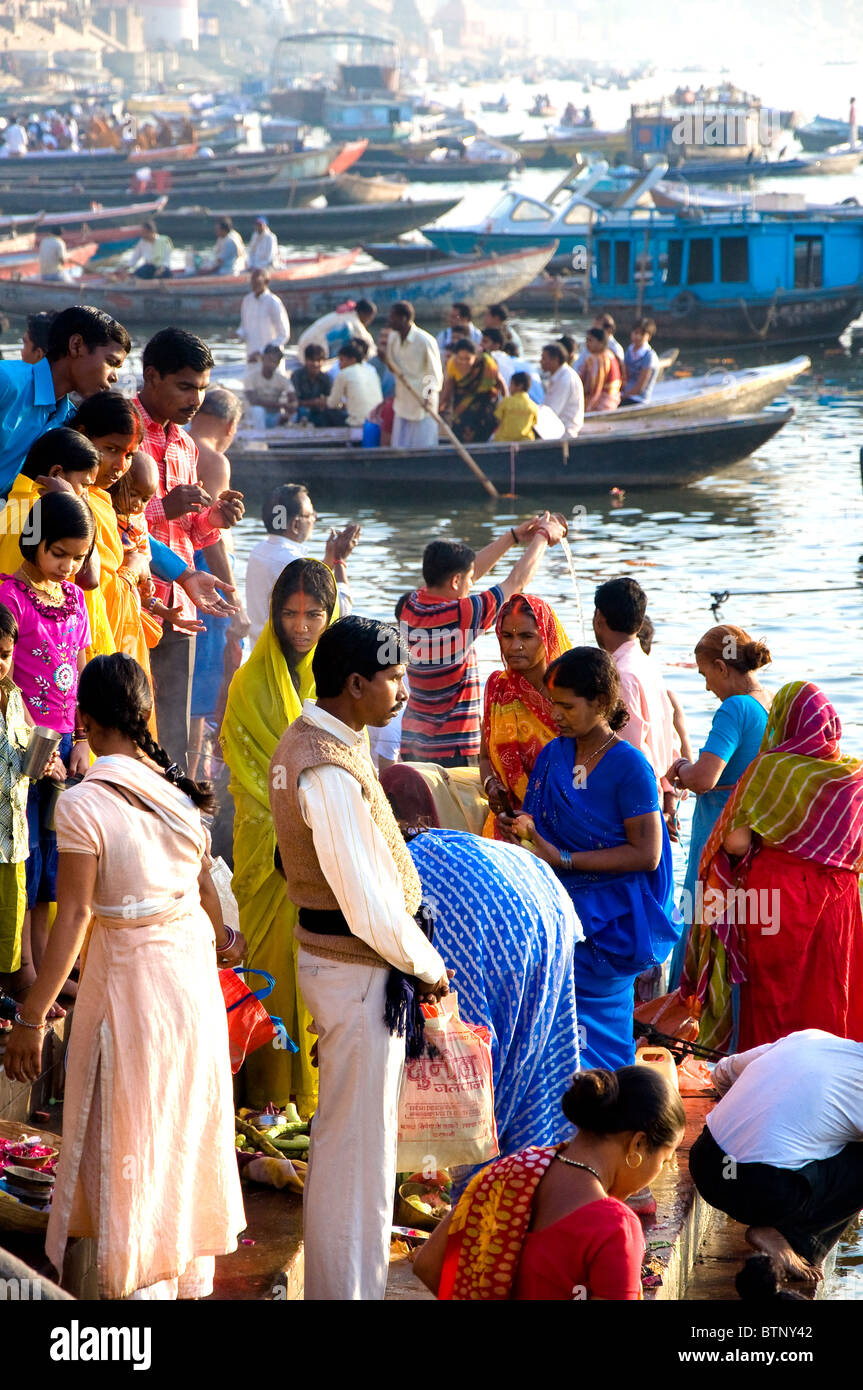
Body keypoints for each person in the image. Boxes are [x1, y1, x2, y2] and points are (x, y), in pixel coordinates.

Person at [3, 653, 247, 1299]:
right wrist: (223, 939)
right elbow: (208, 902)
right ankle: (175, 1279)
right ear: (144, 716)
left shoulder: (84, 802)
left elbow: (76, 914)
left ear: (81, 719)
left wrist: (31, 1019)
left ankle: (133, 1286)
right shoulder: (178, 795)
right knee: (176, 1122)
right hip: (189, 984)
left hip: (137, 988)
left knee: (127, 1130)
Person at [268, 615, 450, 1301]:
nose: (404, 689)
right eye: (394, 677)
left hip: (347, 969)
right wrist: (428, 966)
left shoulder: (326, 740)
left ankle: (350, 1289)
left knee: (353, 1147)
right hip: (355, 970)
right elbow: (366, 902)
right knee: (357, 1155)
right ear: (353, 684)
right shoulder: (326, 766)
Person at [509, 648, 682, 1071]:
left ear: (602, 703)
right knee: (552, 1029)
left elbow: (647, 854)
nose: (556, 714)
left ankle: (613, 1111)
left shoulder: (631, 767)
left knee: (601, 1036)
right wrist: (525, 830)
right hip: (556, 910)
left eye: (567, 705)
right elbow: (538, 820)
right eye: (553, 703)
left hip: (610, 922)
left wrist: (563, 858)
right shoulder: (554, 755)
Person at [680, 681, 863, 1054]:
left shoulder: (769, 768)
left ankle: (769, 1082)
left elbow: (735, 842)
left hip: (776, 896)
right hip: (839, 900)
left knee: (774, 998)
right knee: (831, 989)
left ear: (784, 721)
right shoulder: (853, 776)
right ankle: (831, 1078)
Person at [223, 559, 340, 1111]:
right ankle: (266, 1101)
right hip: (267, 851)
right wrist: (291, 832)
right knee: (270, 967)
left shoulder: (342, 678)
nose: (301, 625)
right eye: (289, 613)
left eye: (313, 613)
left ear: (330, 613)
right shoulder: (250, 684)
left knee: (317, 972)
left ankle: (315, 1102)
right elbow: (246, 768)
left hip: (325, 849)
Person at [414, 1066, 685, 1300]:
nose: (658, 1171)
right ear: (638, 1144)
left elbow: (427, 1264)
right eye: (664, 1159)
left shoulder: (509, 1172)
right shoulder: (617, 1227)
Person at [406, 828, 582, 1167]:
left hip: (488, 920)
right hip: (544, 904)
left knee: (469, 1066)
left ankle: (473, 1187)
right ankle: (531, 1173)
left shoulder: (396, 879)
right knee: (533, 1061)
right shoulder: (445, 843)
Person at [136, 328, 245, 766]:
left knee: (175, 733)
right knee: (132, 719)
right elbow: (105, 521)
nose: (195, 400)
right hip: (133, 599)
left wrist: (214, 520)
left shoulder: (184, 444)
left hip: (180, 603)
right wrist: (163, 507)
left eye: (201, 389)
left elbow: (190, 532)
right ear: (152, 377)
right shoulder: (122, 428)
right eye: (185, 387)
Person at [0, 494, 94, 990]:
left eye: (78, 556)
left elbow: (77, 674)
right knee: (23, 855)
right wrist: (37, 753)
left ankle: (44, 964)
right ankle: (22, 971)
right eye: (59, 553)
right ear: (33, 539)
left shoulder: (76, 599)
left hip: (63, 747)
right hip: (16, 748)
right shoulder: (8, 598)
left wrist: (80, 738)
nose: (68, 567)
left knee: (52, 862)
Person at [689, 1029, 863, 1284]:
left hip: (709, 1164)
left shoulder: (810, 1037)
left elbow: (722, 1073)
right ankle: (797, 1240)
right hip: (758, 1190)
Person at [399, 517, 567, 767]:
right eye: (467, 581)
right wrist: (543, 534)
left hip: (413, 746)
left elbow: (467, 573)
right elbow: (517, 582)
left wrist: (512, 537)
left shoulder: (411, 605)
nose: (471, 585)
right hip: (454, 752)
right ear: (455, 581)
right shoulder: (462, 614)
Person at [666, 624, 771, 986]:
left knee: (705, 928)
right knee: (741, 929)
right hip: (754, 834)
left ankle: (693, 1021)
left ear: (722, 668)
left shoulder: (736, 708)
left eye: (705, 674)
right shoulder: (770, 703)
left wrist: (680, 768)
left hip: (719, 833)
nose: (707, 686)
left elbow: (704, 778)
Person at [0, 305, 130, 502]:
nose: (115, 377)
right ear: (76, 345)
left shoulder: (69, 419)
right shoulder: (7, 382)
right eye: (111, 362)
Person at [187, 389, 249, 766]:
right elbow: (214, 536)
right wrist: (233, 595)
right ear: (230, 425)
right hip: (203, 574)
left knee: (181, 678)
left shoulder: (179, 442)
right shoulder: (214, 459)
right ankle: (190, 780)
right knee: (200, 689)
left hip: (174, 567)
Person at [594, 577, 680, 835]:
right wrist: (669, 798)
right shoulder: (648, 666)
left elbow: (627, 753)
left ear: (599, 617)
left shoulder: (619, 675)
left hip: (632, 806)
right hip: (654, 800)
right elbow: (670, 739)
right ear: (640, 623)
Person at [480, 593, 570, 835]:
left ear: (546, 636)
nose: (514, 646)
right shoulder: (497, 688)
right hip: (507, 826)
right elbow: (485, 758)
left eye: (527, 636)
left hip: (565, 824)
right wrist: (491, 788)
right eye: (507, 636)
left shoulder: (571, 692)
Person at [244, 483, 357, 645]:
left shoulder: (260, 551)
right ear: (296, 525)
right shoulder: (293, 562)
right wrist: (340, 560)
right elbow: (341, 611)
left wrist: (329, 561)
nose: (315, 518)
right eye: (310, 514)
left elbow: (307, 585)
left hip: (261, 650)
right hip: (290, 658)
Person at [0, 603, 32, 982]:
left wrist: (43, 762)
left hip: (13, 838)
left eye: (6, 655)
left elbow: (23, 758)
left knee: (11, 914)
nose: (1, 664)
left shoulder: (15, 699)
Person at [385, 300, 444, 450]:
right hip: (403, 399)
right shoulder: (393, 338)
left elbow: (434, 374)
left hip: (422, 402)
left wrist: (427, 395)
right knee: (399, 445)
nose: (389, 321)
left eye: (393, 318)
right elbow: (392, 365)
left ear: (404, 318)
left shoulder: (424, 340)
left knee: (423, 444)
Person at [439, 338, 505, 444]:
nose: (463, 362)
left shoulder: (487, 363)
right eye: (460, 358)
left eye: (467, 359)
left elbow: (500, 383)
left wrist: (505, 403)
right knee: (459, 431)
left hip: (483, 401)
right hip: (461, 403)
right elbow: (449, 385)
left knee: (482, 432)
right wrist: (441, 404)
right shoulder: (452, 364)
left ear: (475, 357)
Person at [296, 299, 376, 361]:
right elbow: (367, 341)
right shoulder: (352, 320)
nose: (369, 321)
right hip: (310, 351)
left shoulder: (348, 314)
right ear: (362, 313)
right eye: (369, 318)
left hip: (304, 345)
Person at [327, 339, 383, 426]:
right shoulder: (371, 371)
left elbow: (331, 403)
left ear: (352, 360)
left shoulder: (343, 373)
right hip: (377, 420)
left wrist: (320, 402)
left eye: (341, 360)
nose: (339, 364)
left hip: (358, 422)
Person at [237, 269, 291, 361]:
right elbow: (244, 327)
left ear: (266, 281)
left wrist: (262, 351)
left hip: (271, 361)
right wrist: (238, 334)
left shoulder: (273, 302)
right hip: (251, 358)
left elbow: (283, 335)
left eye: (257, 281)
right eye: (252, 281)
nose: (253, 284)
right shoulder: (247, 301)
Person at [244, 343, 296, 426]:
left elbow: (293, 398)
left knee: (294, 413)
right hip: (255, 417)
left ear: (278, 364)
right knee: (258, 410)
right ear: (263, 358)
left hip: (275, 416)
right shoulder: (251, 378)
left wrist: (291, 407)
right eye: (269, 360)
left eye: (275, 362)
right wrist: (280, 405)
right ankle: (259, 436)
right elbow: (254, 401)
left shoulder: (282, 379)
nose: (272, 364)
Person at [540, 342, 584, 438]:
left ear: (555, 360)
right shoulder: (558, 375)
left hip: (566, 430)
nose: (540, 361)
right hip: (557, 427)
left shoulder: (565, 378)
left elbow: (552, 412)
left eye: (544, 358)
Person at [579, 326, 621, 413]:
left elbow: (596, 389)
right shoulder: (599, 356)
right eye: (586, 340)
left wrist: (587, 408)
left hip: (603, 402)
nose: (587, 344)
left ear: (601, 343)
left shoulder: (602, 359)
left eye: (590, 340)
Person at [291, 344, 335, 425]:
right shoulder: (297, 376)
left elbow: (330, 399)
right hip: (301, 412)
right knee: (303, 412)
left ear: (323, 361)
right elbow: (294, 401)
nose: (315, 364)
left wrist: (324, 402)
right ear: (306, 360)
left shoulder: (326, 378)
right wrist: (313, 402)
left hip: (319, 413)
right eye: (312, 360)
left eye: (318, 360)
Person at [621, 319, 660, 406]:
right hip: (625, 394)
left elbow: (640, 388)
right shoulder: (629, 351)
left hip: (639, 399)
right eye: (635, 333)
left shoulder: (649, 356)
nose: (637, 336)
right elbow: (625, 376)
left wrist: (623, 396)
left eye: (642, 334)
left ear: (648, 337)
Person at [493, 371, 539, 441]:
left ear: (520, 386)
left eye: (511, 384)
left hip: (503, 443)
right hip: (525, 443)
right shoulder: (533, 406)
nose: (509, 388)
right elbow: (534, 424)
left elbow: (497, 420)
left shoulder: (506, 402)